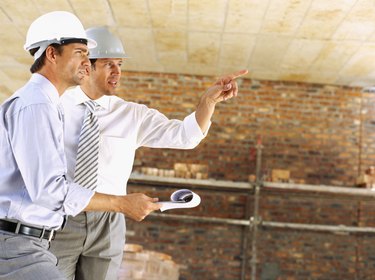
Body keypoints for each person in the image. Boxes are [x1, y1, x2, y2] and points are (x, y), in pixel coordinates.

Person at [49, 26, 248, 280]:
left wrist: (208, 102)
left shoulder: (132, 114)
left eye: (119, 64)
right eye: (109, 64)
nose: (117, 72)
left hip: (109, 223)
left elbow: (185, 136)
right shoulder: (53, 108)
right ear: (86, 66)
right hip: (62, 218)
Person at [0, 12, 161, 280]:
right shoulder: (37, 106)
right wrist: (121, 204)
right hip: (18, 249)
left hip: (31, 244)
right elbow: (50, 191)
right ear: (52, 54)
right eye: (79, 52)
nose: (87, 63)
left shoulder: (47, 105)